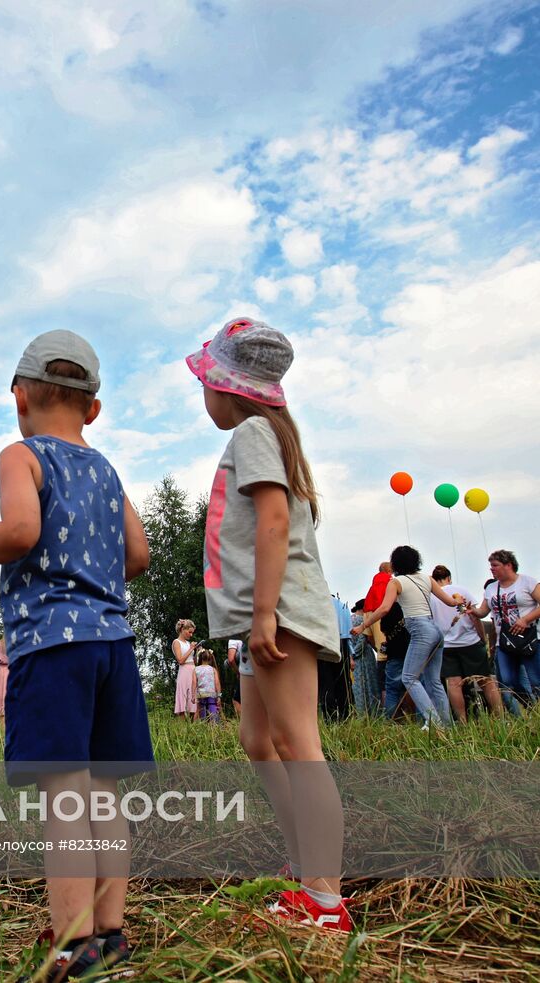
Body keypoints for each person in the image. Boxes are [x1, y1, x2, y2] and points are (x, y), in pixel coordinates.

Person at [0, 329, 151, 979]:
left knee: (63, 799)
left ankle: (73, 945)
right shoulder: (106, 470)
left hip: (51, 648)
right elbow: (139, 554)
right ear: (93, 408)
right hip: (113, 647)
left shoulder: (21, 456)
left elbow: (21, 529)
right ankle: (111, 933)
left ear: (19, 396)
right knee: (105, 796)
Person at [187, 317, 350, 931]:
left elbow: (274, 522)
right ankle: (304, 866)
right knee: (258, 741)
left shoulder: (254, 431)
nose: (203, 393)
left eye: (206, 380)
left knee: (299, 745)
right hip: (266, 614)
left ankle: (325, 896)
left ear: (230, 388)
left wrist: (262, 615)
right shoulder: (266, 432)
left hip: (278, 611)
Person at [354, 546, 464, 730]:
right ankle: (447, 726)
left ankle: (435, 723)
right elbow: (450, 602)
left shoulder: (396, 582)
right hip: (435, 631)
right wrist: (458, 600)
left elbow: (384, 609)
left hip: (420, 631)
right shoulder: (427, 578)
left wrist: (363, 625)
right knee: (434, 681)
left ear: (395, 564)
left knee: (409, 678)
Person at [426, 565, 504, 721]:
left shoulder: (431, 597)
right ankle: (500, 719)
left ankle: (462, 721)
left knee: (453, 684)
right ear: (449, 577)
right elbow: (475, 616)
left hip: (446, 645)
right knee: (485, 681)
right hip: (469, 642)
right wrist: (482, 638)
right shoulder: (462, 590)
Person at [467, 549, 540, 708]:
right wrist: (473, 611)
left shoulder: (528, 582)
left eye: (495, 565)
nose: (492, 569)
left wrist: (526, 619)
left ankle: (535, 708)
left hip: (528, 637)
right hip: (504, 640)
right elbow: (484, 611)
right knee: (506, 680)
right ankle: (529, 706)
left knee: (536, 679)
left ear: (508, 565)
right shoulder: (492, 588)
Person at [348, 601, 382, 717]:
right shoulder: (362, 621)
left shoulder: (349, 619)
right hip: (364, 657)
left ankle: (360, 713)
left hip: (353, 658)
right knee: (369, 684)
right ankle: (373, 713)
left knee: (358, 687)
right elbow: (362, 641)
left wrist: (350, 655)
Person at [171, 619, 198, 720]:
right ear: (182, 629)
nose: (191, 635)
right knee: (183, 699)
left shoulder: (188, 643)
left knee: (193, 698)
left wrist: (198, 651)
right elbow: (180, 660)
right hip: (184, 672)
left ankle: (193, 728)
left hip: (193, 671)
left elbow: (192, 659)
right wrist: (191, 649)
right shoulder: (176, 642)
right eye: (189, 632)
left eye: (192, 633)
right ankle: (182, 731)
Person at [195, 649, 222, 722]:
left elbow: (194, 683)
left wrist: (193, 696)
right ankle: (215, 726)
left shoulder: (196, 669)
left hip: (201, 694)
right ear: (210, 658)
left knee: (202, 712)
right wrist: (219, 696)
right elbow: (217, 683)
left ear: (200, 658)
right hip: (212, 694)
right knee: (213, 710)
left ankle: (203, 726)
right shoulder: (213, 669)